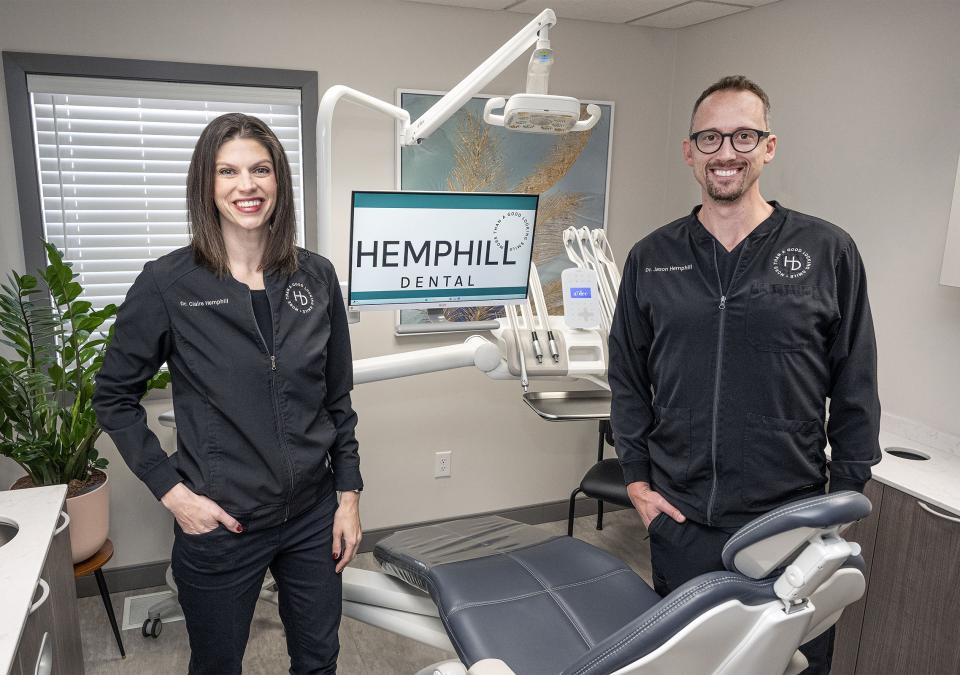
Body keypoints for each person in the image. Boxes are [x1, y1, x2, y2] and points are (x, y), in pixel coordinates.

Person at [608, 75, 880, 673]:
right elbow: (627, 374)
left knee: (791, 664)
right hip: (682, 517)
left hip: (790, 520)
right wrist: (636, 478)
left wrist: (844, 494)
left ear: (769, 146)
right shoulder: (653, 258)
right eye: (710, 138)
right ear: (689, 151)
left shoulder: (826, 251)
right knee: (687, 664)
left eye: (743, 136)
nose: (726, 152)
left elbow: (855, 381)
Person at [93, 113, 362, 674]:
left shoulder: (315, 278)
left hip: (313, 514)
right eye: (229, 171)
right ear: (207, 185)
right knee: (217, 666)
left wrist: (349, 496)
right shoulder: (169, 284)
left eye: (261, 169)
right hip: (222, 524)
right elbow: (113, 396)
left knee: (319, 660)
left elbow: (338, 399)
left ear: (279, 181)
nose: (247, 185)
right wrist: (173, 494)